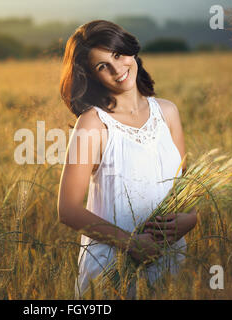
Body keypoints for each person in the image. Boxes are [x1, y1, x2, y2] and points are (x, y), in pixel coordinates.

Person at [57, 20, 197, 299]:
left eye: (118, 55)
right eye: (102, 66)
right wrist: (131, 244)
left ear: (130, 51)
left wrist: (190, 220)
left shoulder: (167, 112)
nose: (117, 69)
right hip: (112, 269)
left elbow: (187, 188)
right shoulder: (94, 123)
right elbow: (68, 209)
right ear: (92, 76)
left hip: (168, 259)